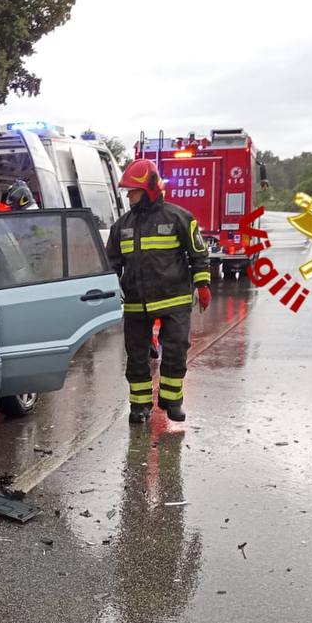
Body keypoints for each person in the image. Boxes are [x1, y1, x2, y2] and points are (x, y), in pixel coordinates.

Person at [105, 159, 211, 424]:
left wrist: (203, 285)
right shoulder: (122, 226)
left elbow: (198, 254)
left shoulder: (179, 218)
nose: (128, 196)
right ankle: (139, 406)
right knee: (136, 356)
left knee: (176, 350)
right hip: (136, 303)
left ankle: (172, 401)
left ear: (149, 189)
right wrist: (106, 290)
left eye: (133, 191)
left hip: (174, 298)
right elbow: (111, 264)